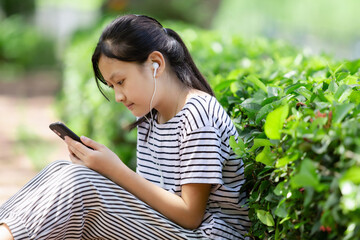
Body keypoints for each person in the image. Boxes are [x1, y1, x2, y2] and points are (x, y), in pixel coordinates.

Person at [0, 14, 250, 240]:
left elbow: (190, 216)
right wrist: (104, 172)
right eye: (112, 86)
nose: (118, 96)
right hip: (172, 229)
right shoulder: (151, 119)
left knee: (79, 182)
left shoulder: (198, 113)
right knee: (62, 169)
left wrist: (115, 171)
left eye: (120, 81)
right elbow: (151, 201)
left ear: (156, 64)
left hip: (207, 234)